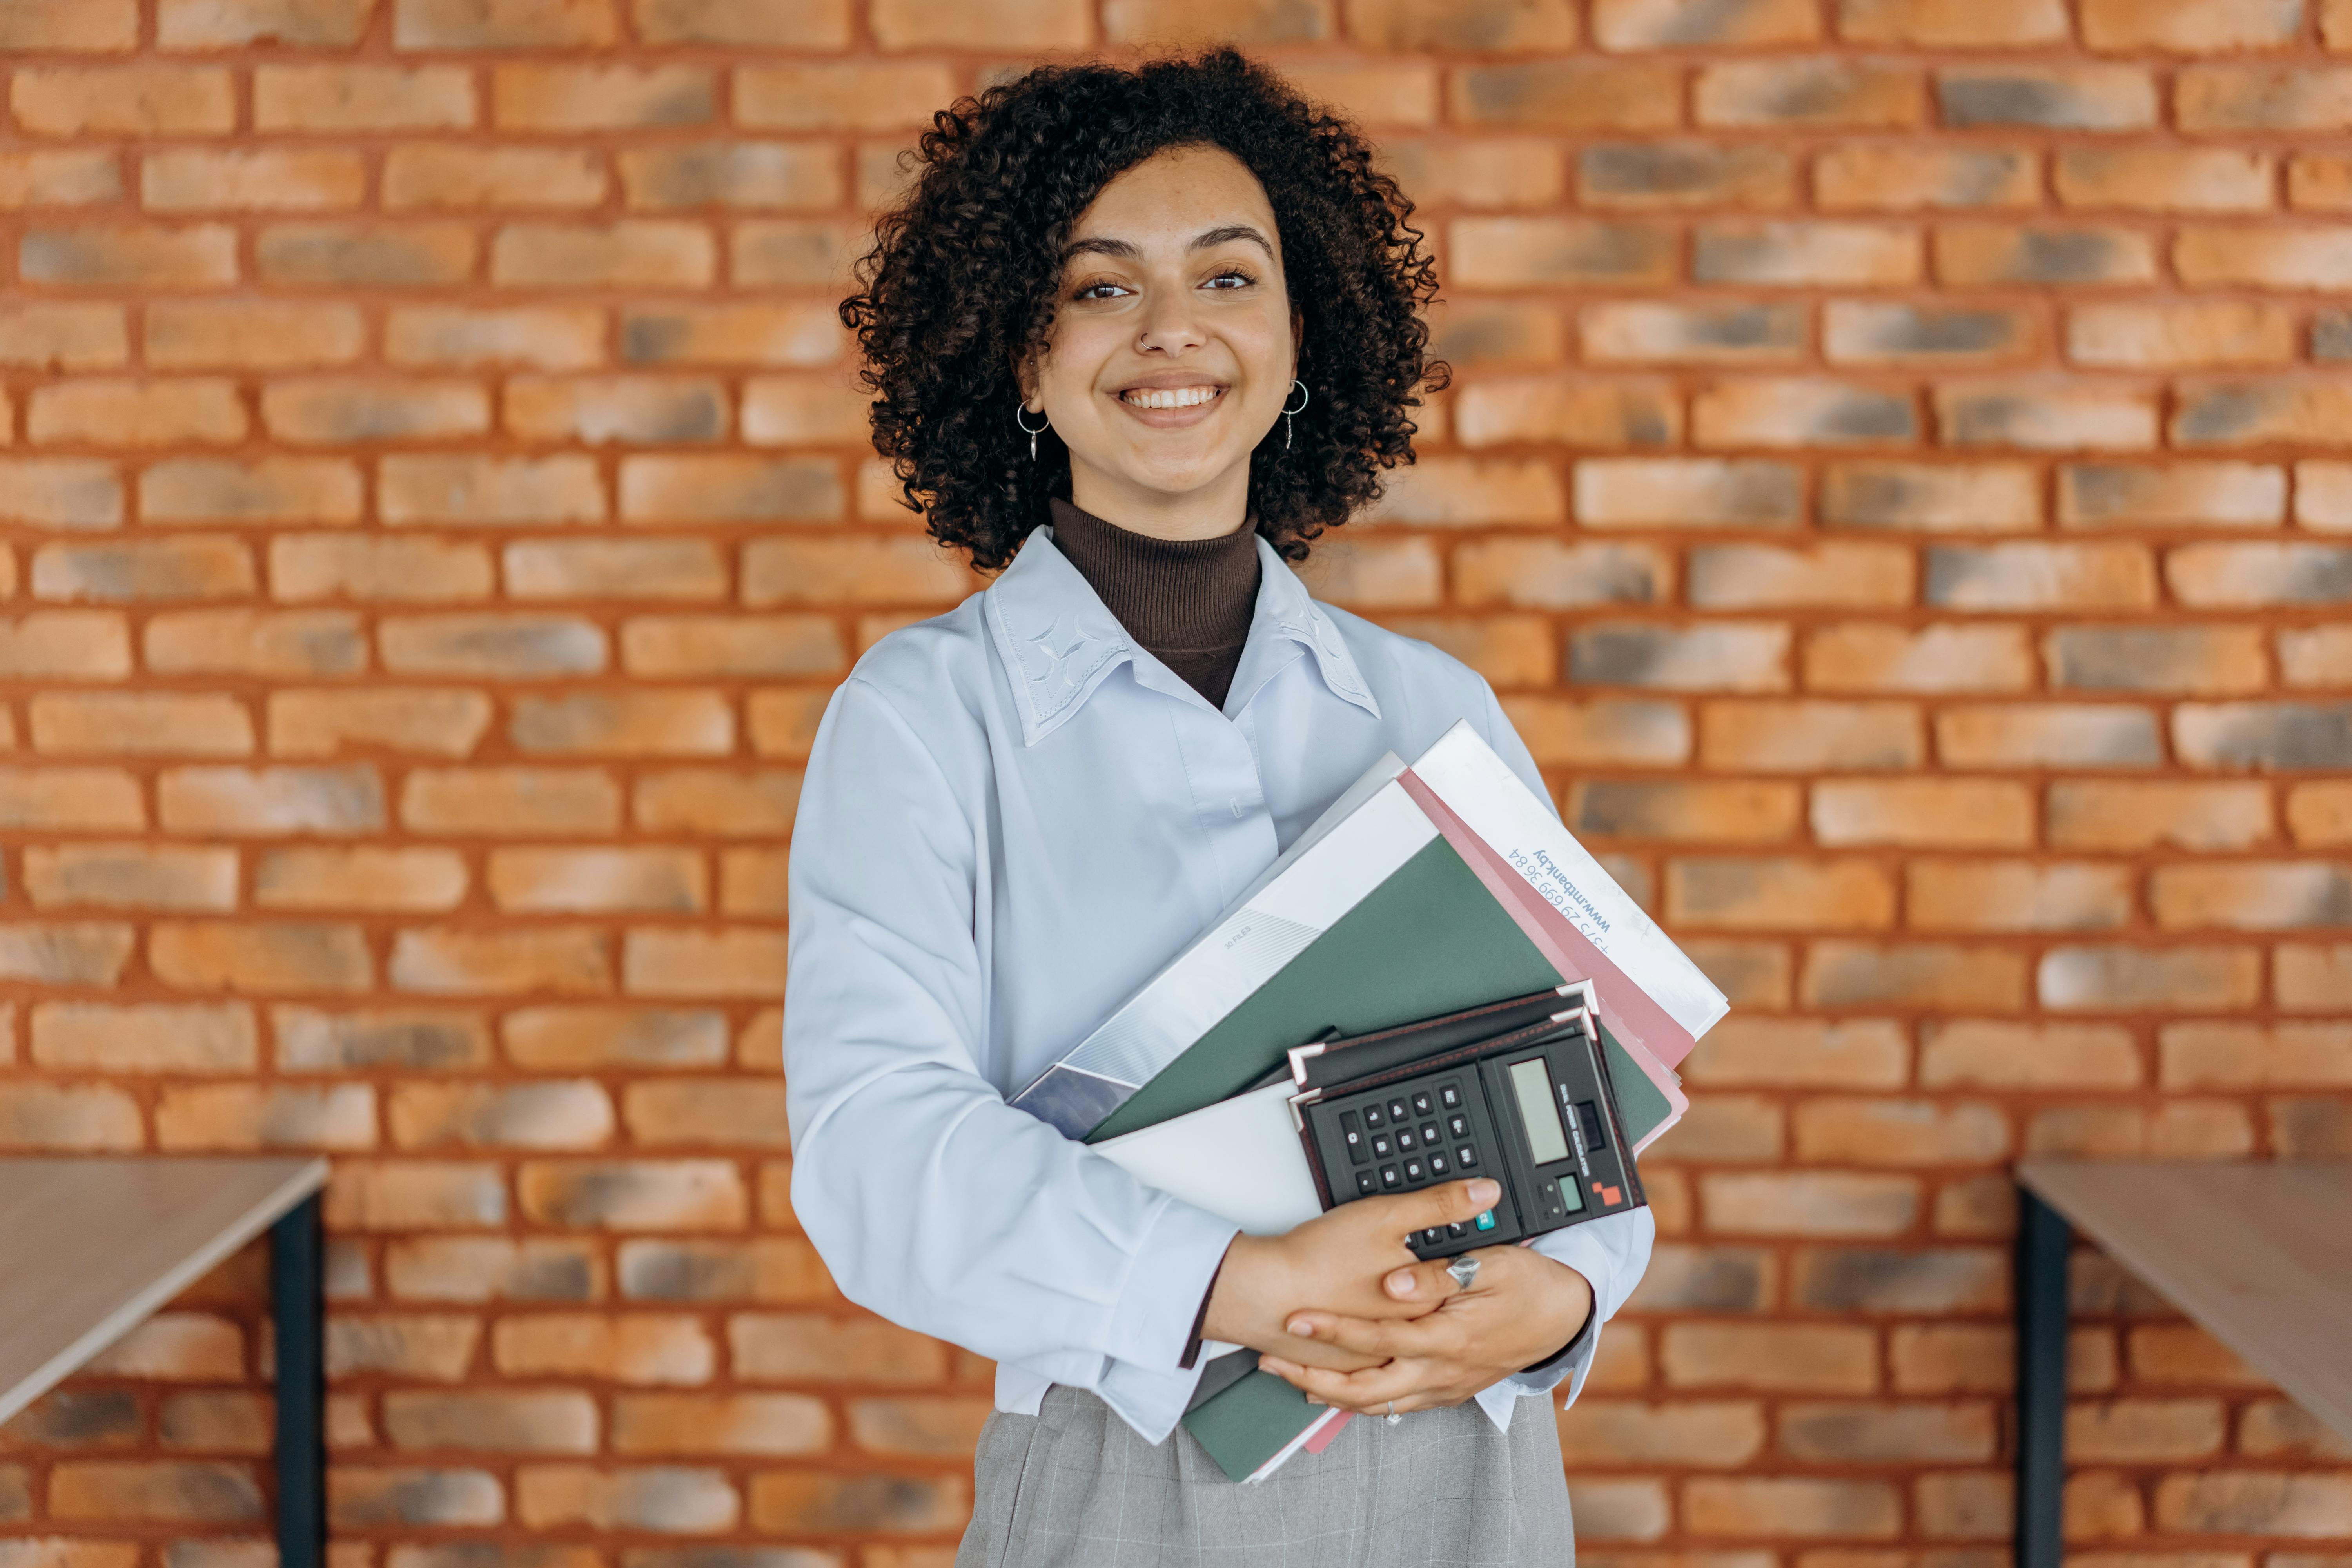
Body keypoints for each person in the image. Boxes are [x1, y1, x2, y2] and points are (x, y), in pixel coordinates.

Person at [786, 48, 1654, 1568]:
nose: (1172, 329)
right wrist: (1240, 1280)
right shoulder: (925, 720)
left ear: (1302, 330)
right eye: (1101, 285)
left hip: (1471, 1466)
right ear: (1018, 355)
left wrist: (1568, 1292)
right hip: (1143, 1469)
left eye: (1228, 276)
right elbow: (877, 1153)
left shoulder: (1429, 705)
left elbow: (1584, 1086)